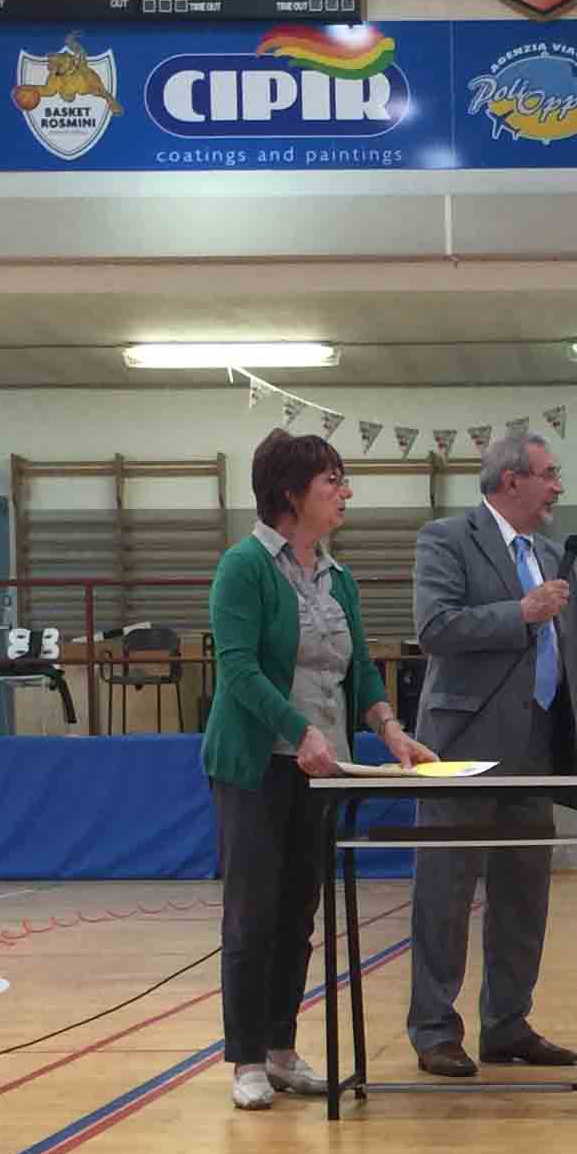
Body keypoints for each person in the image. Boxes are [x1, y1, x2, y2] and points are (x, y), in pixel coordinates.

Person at [406, 429, 577, 1077]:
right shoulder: (446, 540)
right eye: (549, 474)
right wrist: (522, 611)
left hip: (539, 744)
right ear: (512, 481)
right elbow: (435, 627)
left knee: (523, 895)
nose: (558, 486)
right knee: (446, 893)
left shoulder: (554, 552)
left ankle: (506, 1025)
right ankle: (434, 1031)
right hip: (463, 749)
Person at [204, 429, 432, 1110]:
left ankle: (281, 1050)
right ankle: (246, 1059)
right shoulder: (243, 567)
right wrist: (297, 730)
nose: (345, 493)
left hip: (323, 768)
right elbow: (237, 669)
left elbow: (359, 669)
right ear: (290, 493)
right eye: (332, 481)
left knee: (299, 915)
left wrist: (391, 729)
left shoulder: (340, 578)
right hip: (256, 767)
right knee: (252, 915)